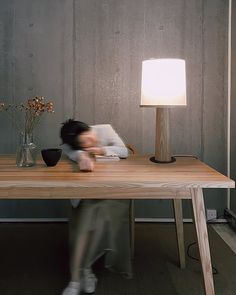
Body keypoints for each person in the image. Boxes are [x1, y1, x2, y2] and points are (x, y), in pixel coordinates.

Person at [60, 119, 133, 295]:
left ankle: (84, 271)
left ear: (89, 129)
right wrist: (82, 155)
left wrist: (101, 150)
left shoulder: (105, 130)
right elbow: (69, 150)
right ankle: (77, 278)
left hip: (114, 191)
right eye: (82, 143)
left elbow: (124, 151)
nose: (88, 142)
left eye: (88, 137)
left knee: (98, 216)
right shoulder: (72, 146)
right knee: (87, 219)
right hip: (90, 190)